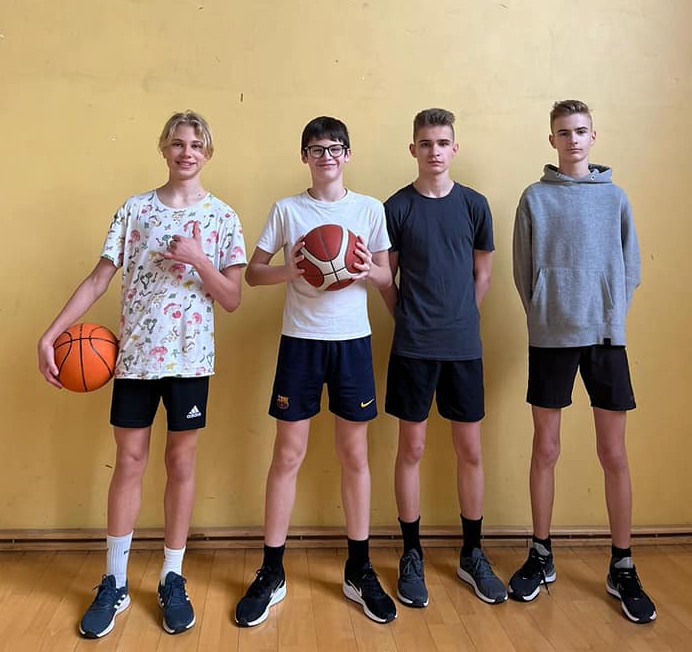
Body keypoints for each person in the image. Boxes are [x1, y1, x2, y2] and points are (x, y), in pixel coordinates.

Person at [37, 111, 246, 638]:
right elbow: (98, 279)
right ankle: (115, 581)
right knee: (129, 462)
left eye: (196, 144)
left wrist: (199, 259)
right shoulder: (135, 210)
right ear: (163, 148)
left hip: (191, 362)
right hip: (134, 360)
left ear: (207, 152)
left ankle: (172, 576)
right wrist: (50, 335)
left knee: (181, 462)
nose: (186, 152)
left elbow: (232, 298)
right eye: (177, 143)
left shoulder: (223, 217)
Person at [234, 116, 397, 627]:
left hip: (352, 343)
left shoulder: (369, 209)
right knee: (287, 454)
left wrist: (364, 269)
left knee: (355, 455)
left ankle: (359, 568)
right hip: (300, 343)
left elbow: (386, 275)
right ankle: (272, 570)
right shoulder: (287, 210)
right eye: (317, 148)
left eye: (335, 148)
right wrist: (295, 267)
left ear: (348, 154)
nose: (327, 156)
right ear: (304, 155)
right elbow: (253, 274)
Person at [509, 99, 656, 624]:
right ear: (551, 140)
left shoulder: (614, 198)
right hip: (551, 336)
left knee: (613, 452)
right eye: (563, 132)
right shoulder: (535, 198)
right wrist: (545, 312)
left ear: (594, 136)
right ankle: (541, 552)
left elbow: (630, 266)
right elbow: (522, 270)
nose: (573, 139)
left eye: (580, 131)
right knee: (545, 447)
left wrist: (608, 310)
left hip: (605, 338)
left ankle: (622, 564)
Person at [379, 108, 507, 609]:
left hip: (463, 348)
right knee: (410, 448)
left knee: (469, 449)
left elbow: (483, 275)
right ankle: (411, 553)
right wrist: (408, 318)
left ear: (455, 148)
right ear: (413, 149)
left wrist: (460, 319)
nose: (434, 151)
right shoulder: (396, 207)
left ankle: (472, 553)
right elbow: (386, 279)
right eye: (426, 143)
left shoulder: (475, 205)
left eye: (442, 142)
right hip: (413, 346)